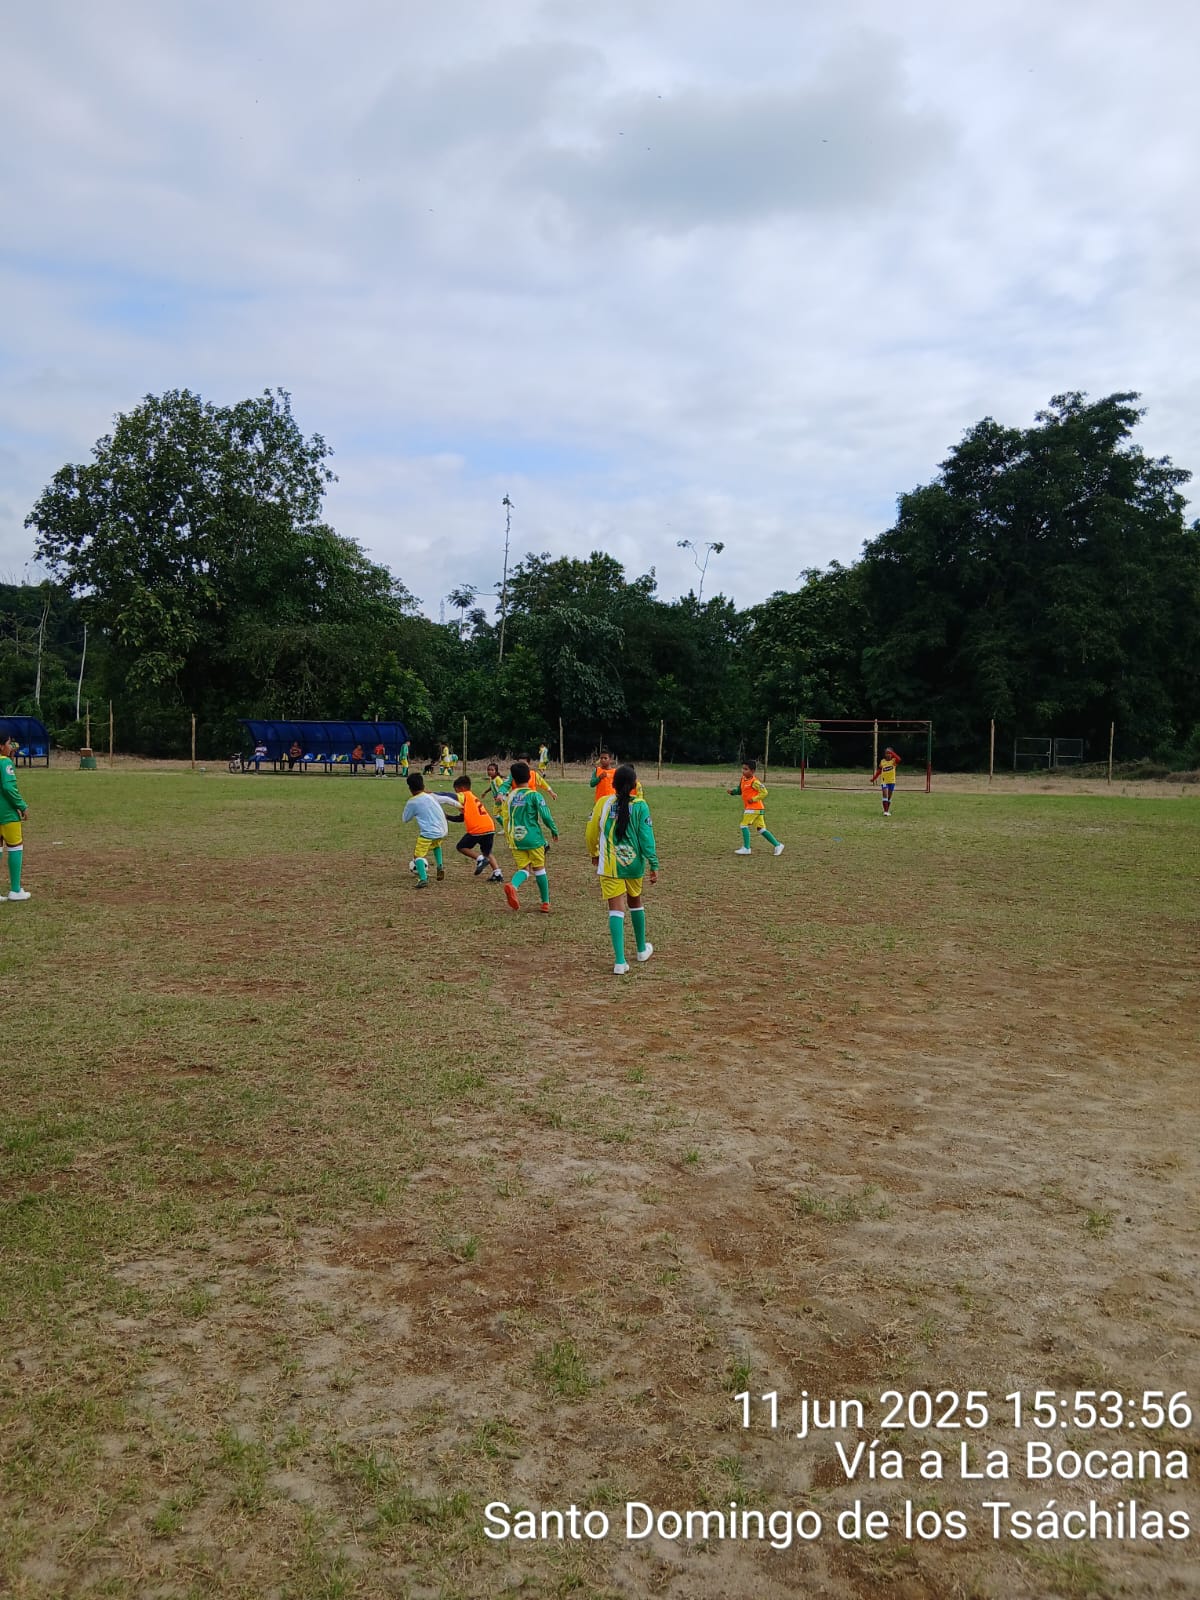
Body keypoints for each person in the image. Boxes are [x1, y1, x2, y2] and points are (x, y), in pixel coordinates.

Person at [588, 762, 658, 974]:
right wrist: (653, 863)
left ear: (613, 784)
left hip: (610, 865)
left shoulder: (603, 802)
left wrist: (594, 853)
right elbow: (646, 837)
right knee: (635, 901)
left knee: (615, 909)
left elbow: (590, 832)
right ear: (635, 785)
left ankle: (619, 962)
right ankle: (641, 950)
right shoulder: (641, 805)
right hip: (633, 864)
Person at [502, 761, 558, 914]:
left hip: (516, 838)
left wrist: (508, 836)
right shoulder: (534, 795)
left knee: (524, 869)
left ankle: (513, 885)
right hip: (533, 838)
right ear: (529, 777)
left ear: (513, 779)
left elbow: (506, 818)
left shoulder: (510, 796)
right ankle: (545, 902)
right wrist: (553, 829)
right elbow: (545, 816)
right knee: (539, 869)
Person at [451, 776, 504, 881]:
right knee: (487, 852)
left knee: (461, 847)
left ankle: (480, 859)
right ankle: (497, 874)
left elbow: (461, 818)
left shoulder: (464, 797)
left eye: (456, 790)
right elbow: (462, 817)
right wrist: (448, 817)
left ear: (461, 788)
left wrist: (446, 816)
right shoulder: (472, 797)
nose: (456, 793)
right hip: (489, 827)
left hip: (478, 829)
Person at [402, 773, 449, 888]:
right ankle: (440, 866)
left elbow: (405, 819)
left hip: (429, 832)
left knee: (418, 855)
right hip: (443, 829)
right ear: (423, 785)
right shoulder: (430, 796)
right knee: (436, 845)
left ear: (410, 788)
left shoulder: (412, 802)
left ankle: (423, 879)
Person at [0, 731, 31, 900]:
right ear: (1, 746)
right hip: (6, 814)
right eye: (8, 743)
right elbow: (8, 787)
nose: (11, 746)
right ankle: (15, 890)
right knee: (15, 847)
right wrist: (22, 806)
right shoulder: (5, 762)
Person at [730, 760, 784, 856]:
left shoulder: (755, 782)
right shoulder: (743, 779)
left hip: (754, 808)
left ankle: (747, 848)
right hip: (755, 809)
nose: (743, 771)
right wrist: (733, 792)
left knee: (743, 825)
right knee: (761, 829)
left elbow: (764, 792)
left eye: (746, 769)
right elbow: (740, 790)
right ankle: (778, 845)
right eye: (743, 768)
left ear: (752, 771)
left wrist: (754, 799)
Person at [588, 752, 618, 864]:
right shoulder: (597, 771)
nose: (603, 760)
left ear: (610, 759)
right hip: (599, 804)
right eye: (601, 758)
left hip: (613, 803)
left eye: (605, 758)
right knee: (598, 824)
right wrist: (599, 778)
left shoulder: (615, 772)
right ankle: (600, 844)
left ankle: (612, 843)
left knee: (612, 823)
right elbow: (591, 784)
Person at [871, 746, 902, 816]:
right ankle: (885, 811)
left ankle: (887, 810)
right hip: (884, 781)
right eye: (886, 753)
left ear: (892, 754)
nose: (888, 754)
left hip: (892, 781)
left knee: (889, 797)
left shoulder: (894, 761)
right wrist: (874, 778)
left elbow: (899, 759)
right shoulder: (882, 761)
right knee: (885, 794)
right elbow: (879, 771)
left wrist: (892, 752)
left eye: (889, 753)